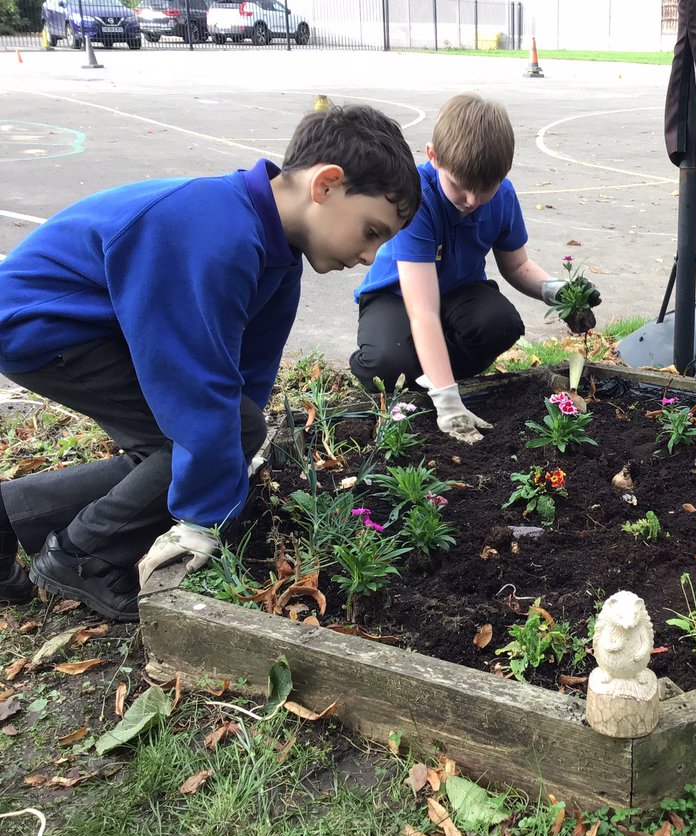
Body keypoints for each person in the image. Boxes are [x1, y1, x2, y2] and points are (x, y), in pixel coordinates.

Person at [0, 104, 422, 623]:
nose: (369, 255)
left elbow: (249, 372)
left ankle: (13, 513)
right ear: (326, 185)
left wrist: (234, 459)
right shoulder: (213, 230)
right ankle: (81, 556)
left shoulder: (278, 251)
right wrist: (202, 515)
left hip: (96, 325)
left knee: (197, 441)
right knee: (203, 434)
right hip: (44, 325)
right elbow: (195, 386)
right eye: (372, 231)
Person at [349, 92, 602, 445]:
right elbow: (421, 310)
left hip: (458, 292)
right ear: (433, 157)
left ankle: (435, 377)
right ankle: (430, 382)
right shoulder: (418, 197)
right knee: (388, 363)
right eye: (460, 187)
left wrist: (557, 291)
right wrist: (450, 404)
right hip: (396, 297)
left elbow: (517, 265)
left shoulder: (502, 197)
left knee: (500, 325)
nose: (471, 202)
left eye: (484, 190)